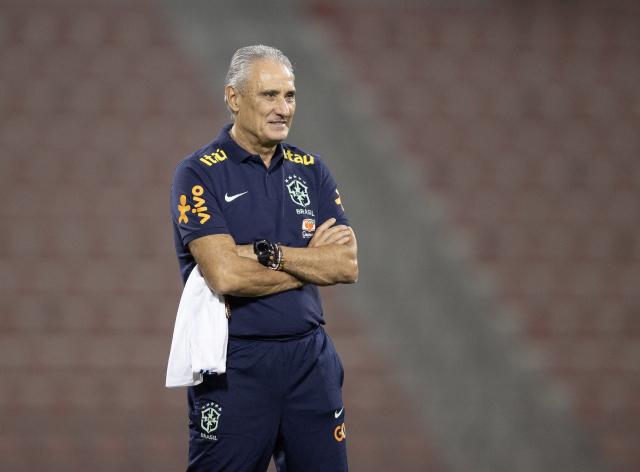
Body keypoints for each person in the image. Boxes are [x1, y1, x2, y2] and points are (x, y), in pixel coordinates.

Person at [170, 45, 357, 472]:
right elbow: (224, 275)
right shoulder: (199, 173)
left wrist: (265, 254)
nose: (283, 108)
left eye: (289, 96)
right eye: (269, 95)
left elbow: (346, 264)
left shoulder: (312, 169)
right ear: (234, 99)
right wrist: (309, 263)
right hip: (236, 366)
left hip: (310, 363)